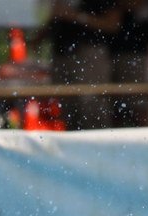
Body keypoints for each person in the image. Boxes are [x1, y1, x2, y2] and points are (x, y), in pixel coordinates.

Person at [46, 0, 124, 129]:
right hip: (62, 53)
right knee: (68, 110)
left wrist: (76, 16)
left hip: (90, 53)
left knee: (92, 109)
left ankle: (99, 146)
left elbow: (113, 24)